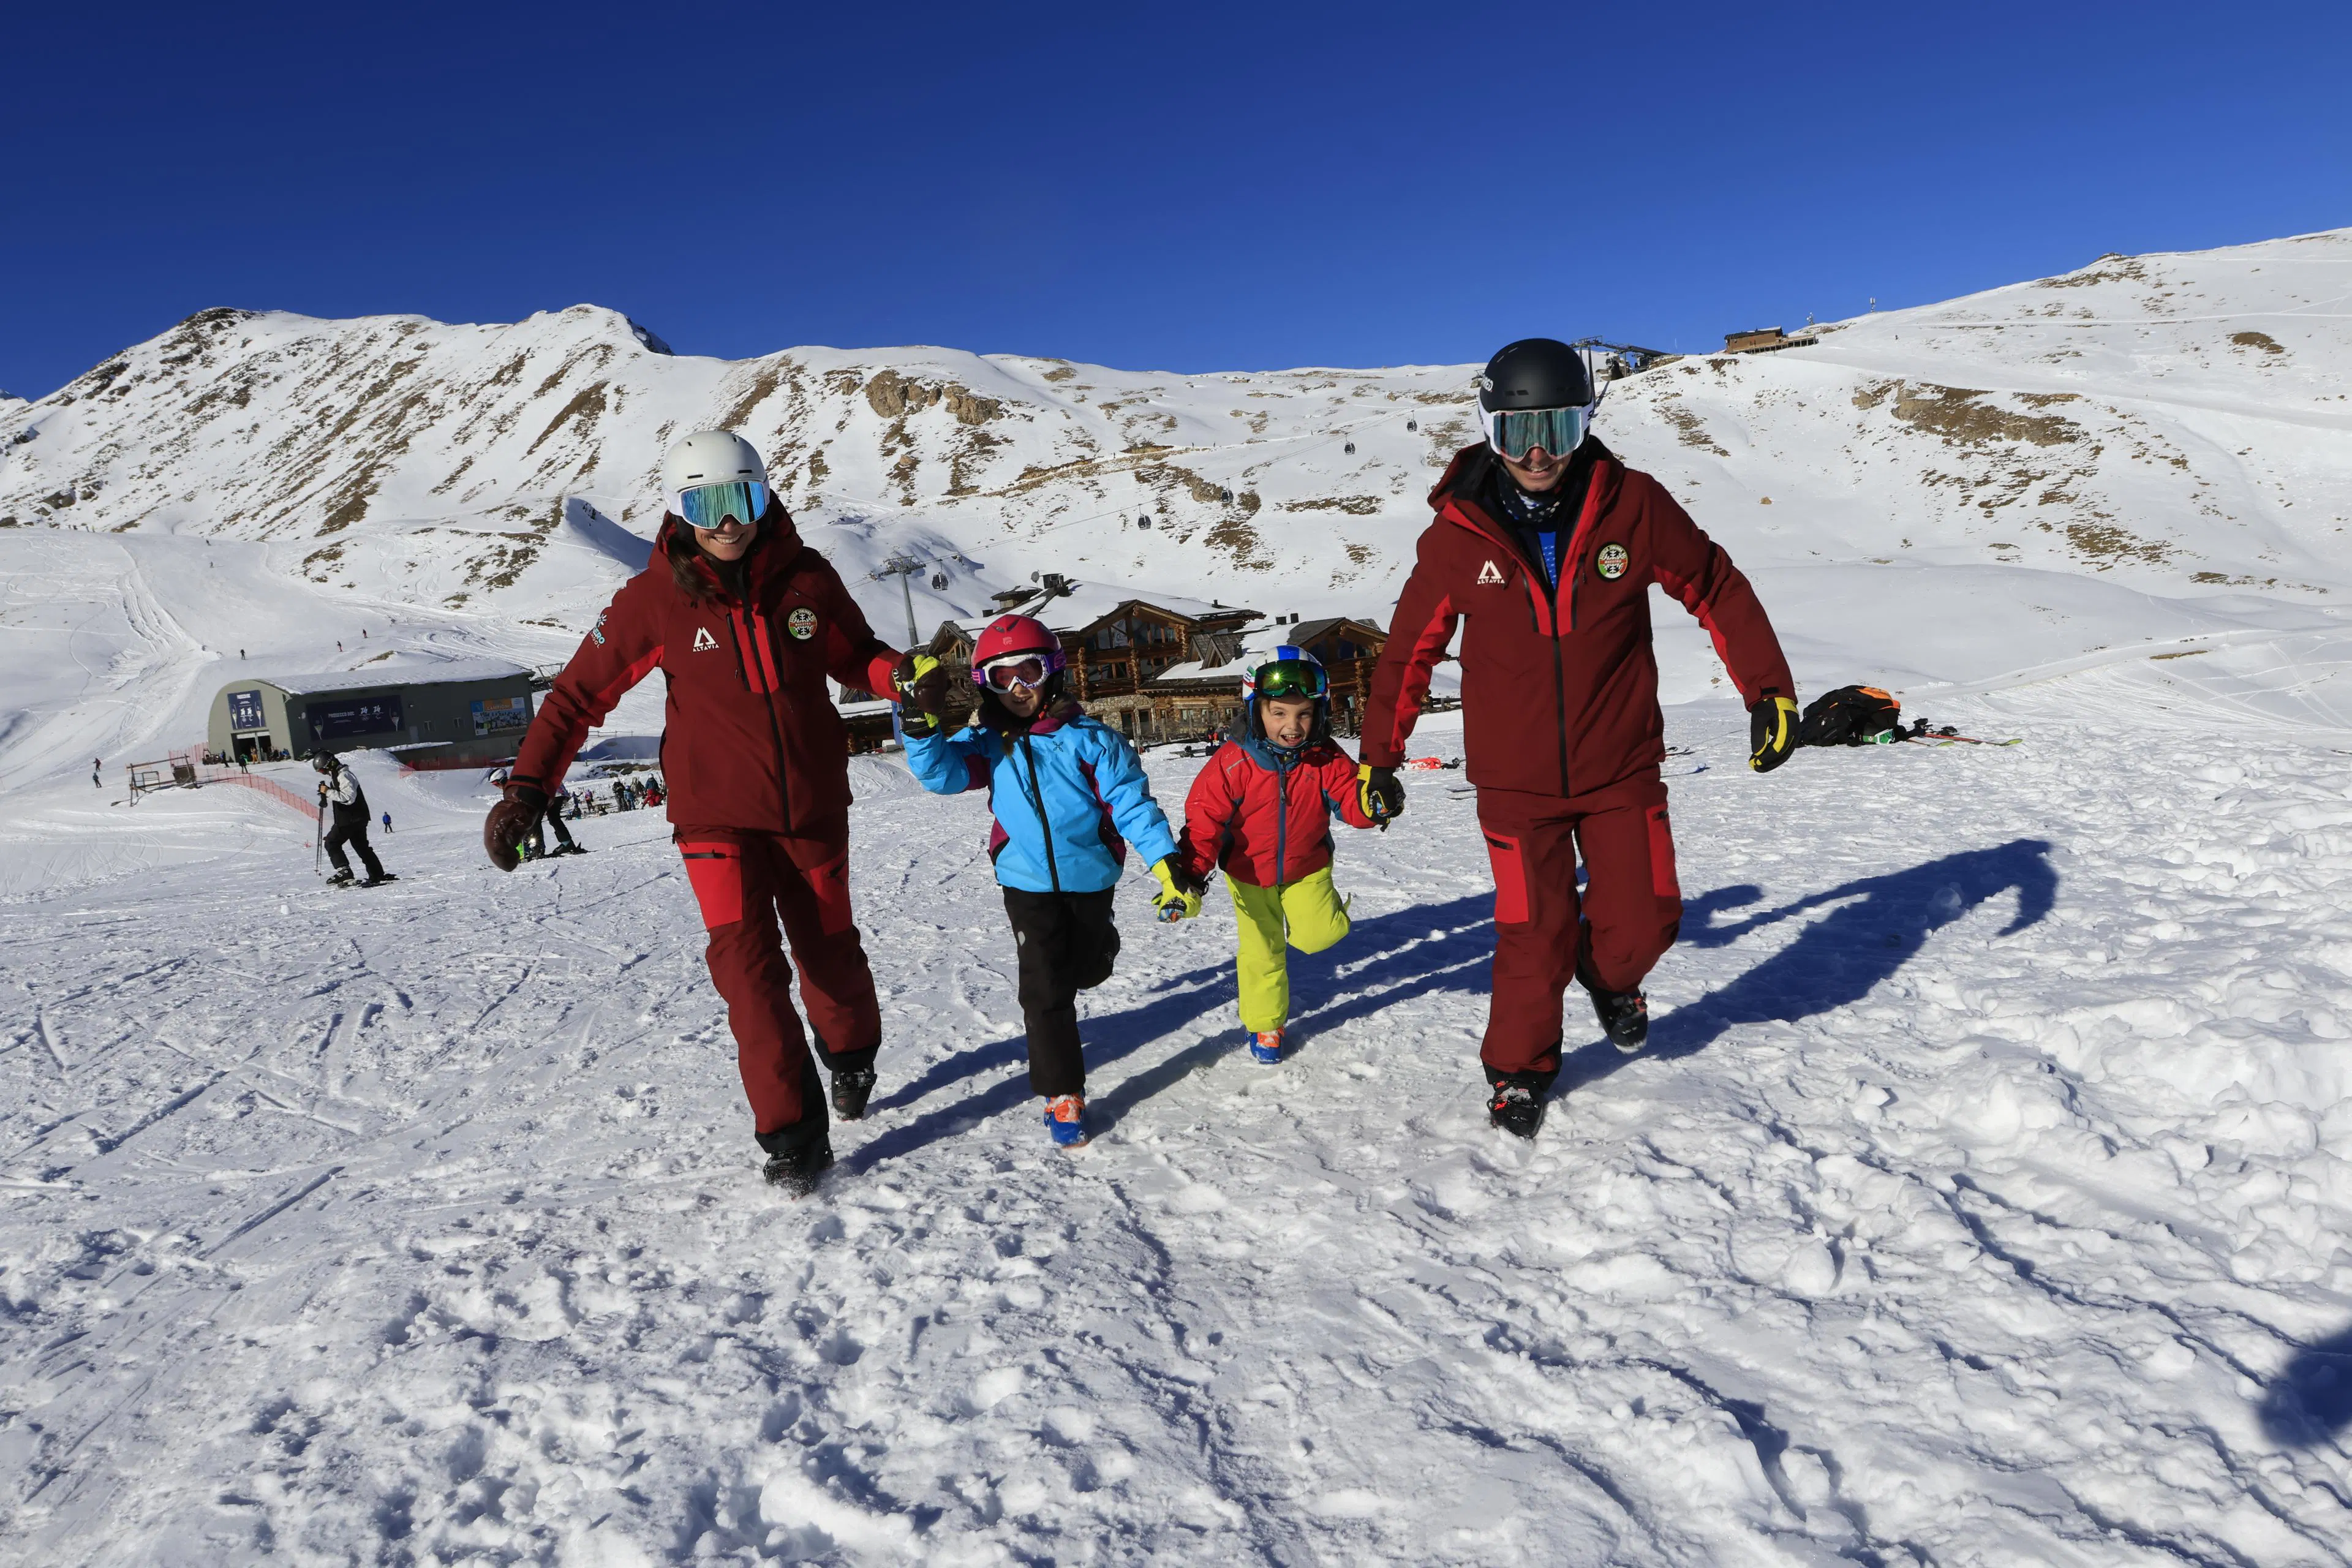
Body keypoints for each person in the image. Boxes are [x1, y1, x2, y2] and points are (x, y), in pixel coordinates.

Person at [1361, 337, 1798, 1139]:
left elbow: (1713, 584)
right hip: (1515, 785)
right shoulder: (1458, 535)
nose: (1538, 454)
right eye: (1519, 433)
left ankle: (1608, 976)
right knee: (1534, 933)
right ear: (1489, 428)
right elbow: (1408, 650)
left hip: (1620, 765)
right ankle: (1519, 1070)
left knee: (1648, 918)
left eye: (1557, 430)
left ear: (1586, 424)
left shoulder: (1634, 504)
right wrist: (1380, 756)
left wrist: (1768, 690)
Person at [484, 430, 910, 1196]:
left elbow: (856, 655)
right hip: (714, 820)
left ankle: (851, 1058)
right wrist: (527, 789)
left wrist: (906, 678)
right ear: (679, 511)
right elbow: (577, 696)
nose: (727, 522)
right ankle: (792, 1139)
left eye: (741, 498)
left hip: (811, 808)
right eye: (705, 505)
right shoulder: (655, 599)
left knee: (829, 959)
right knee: (748, 977)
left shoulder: (808, 578)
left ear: (765, 496)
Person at [896, 614, 1201, 1148]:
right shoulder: (988, 742)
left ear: (1053, 672)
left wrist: (1166, 864)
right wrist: (920, 725)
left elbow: (1132, 806)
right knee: (1044, 989)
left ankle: (1100, 947)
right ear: (986, 685)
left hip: (1090, 877)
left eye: (1029, 672)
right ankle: (1063, 1092)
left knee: (1085, 969)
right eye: (1002, 678)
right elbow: (943, 776)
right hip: (1025, 881)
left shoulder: (1092, 741)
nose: (1018, 688)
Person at [1175, 646, 1381, 1064]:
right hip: (1248, 874)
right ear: (1256, 711)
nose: (1292, 726)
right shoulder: (1233, 762)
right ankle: (1265, 1024)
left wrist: (1373, 802)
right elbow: (1204, 821)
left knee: (1319, 936)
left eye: (1304, 713)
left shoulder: (1325, 757)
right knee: (1262, 951)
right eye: (1279, 713)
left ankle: (1315, 921)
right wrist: (1190, 875)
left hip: (1308, 868)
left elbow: (1351, 803)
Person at [315, 752, 394, 888]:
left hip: (349, 819)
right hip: (357, 818)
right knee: (361, 847)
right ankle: (377, 874)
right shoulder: (338, 776)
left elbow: (348, 798)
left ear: (329, 765)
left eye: (323, 770)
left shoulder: (344, 775)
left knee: (332, 842)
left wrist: (328, 792)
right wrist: (327, 793)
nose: (323, 773)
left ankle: (345, 872)